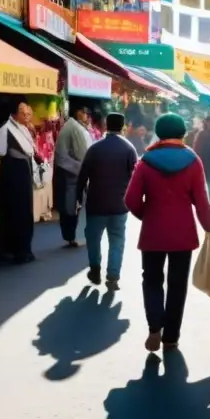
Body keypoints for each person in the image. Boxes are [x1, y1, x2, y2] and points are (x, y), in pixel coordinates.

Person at [124, 113, 210, 352]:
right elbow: (202, 203)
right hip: (183, 235)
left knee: (152, 280)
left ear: (159, 132)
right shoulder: (193, 161)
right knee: (177, 285)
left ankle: (155, 327)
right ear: (182, 133)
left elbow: (131, 199)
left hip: (153, 233)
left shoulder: (146, 161)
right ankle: (171, 337)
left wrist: (148, 214)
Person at [78, 112, 138, 290]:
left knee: (93, 237)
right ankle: (113, 276)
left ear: (106, 125)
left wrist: (77, 198)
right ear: (123, 126)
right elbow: (135, 178)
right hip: (120, 205)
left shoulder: (95, 148)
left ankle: (95, 269)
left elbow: (83, 176)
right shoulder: (129, 149)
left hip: (97, 202)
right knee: (117, 240)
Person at [0, 101, 42, 264]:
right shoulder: (4, 128)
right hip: (12, 172)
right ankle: (17, 250)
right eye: (23, 113)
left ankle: (23, 248)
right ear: (14, 114)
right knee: (16, 211)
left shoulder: (23, 128)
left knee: (24, 210)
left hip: (23, 170)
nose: (27, 116)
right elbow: (0, 151)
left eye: (28, 113)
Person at [53, 104, 93, 248]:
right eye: (84, 112)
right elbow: (82, 153)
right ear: (77, 112)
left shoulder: (74, 126)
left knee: (71, 205)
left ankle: (72, 235)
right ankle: (72, 236)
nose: (86, 115)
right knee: (71, 206)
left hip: (71, 171)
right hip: (71, 172)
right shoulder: (74, 128)